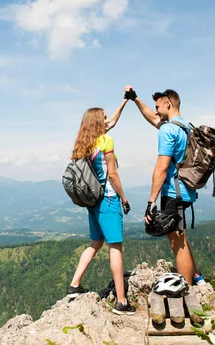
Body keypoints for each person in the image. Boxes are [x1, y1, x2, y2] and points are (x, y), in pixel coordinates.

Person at [124, 86, 206, 286]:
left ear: (168, 103)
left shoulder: (168, 130)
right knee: (180, 236)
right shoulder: (185, 127)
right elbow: (152, 118)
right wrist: (135, 99)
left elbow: (161, 168)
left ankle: (185, 289)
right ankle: (197, 277)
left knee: (177, 242)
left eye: (158, 106)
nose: (156, 111)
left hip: (174, 192)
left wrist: (151, 201)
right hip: (186, 189)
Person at [67, 100, 136, 316]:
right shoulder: (106, 141)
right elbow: (113, 174)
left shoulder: (84, 145)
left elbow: (113, 121)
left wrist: (125, 101)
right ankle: (122, 301)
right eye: (104, 118)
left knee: (95, 242)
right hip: (108, 199)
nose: (108, 120)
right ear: (98, 122)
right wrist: (124, 199)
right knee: (115, 247)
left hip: (93, 202)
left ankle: (74, 285)